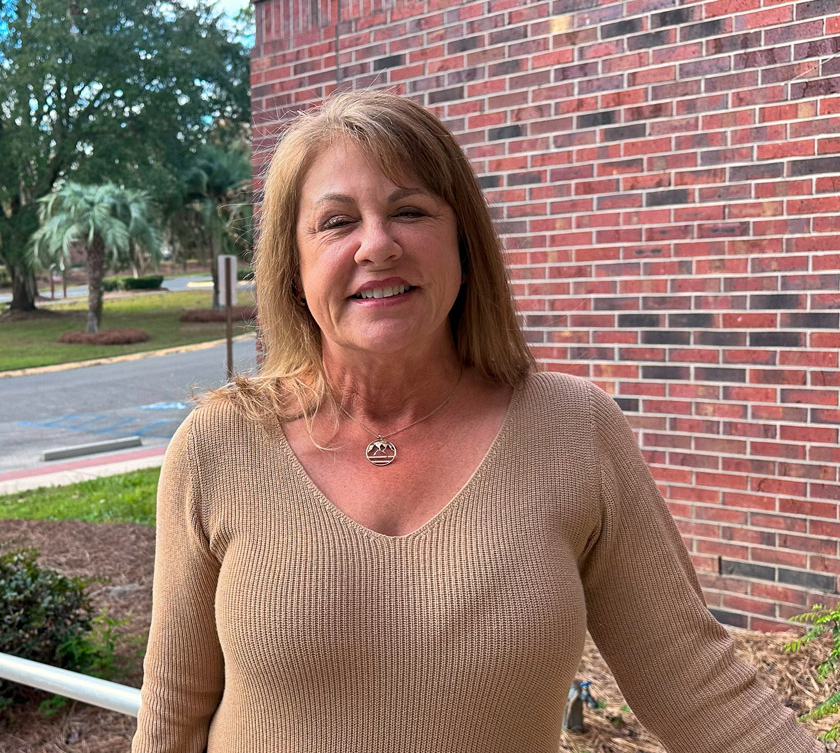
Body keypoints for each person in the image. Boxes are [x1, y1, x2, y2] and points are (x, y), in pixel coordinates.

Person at [132, 91, 822, 753]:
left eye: (410, 211)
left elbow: (700, 689)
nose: (378, 245)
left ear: (464, 244)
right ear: (293, 264)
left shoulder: (573, 430)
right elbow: (172, 720)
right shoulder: (219, 446)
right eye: (337, 222)